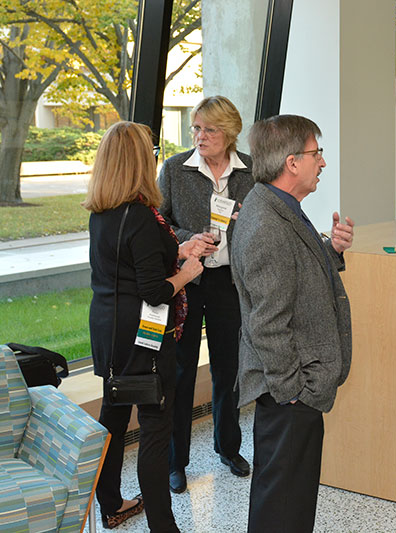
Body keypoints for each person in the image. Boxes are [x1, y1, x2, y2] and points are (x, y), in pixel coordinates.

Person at [232, 115, 354, 533]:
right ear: (291, 162)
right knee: (283, 504)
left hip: (293, 387)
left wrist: (331, 252)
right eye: (315, 153)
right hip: (288, 392)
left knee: (285, 498)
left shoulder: (277, 207)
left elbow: (290, 278)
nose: (322, 162)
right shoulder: (267, 224)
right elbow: (268, 324)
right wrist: (294, 393)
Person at [85, 121, 204, 531]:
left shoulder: (101, 213)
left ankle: (112, 504)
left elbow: (131, 268)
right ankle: (163, 527)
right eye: (150, 151)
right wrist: (187, 272)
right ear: (139, 162)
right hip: (144, 335)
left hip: (107, 330)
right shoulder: (140, 216)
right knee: (155, 426)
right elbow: (155, 291)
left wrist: (177, 249)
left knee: (114, 418)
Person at [157, 96, 254, 494]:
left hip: (229, 282)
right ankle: (176, 461)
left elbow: (262, 222)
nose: (199, 136)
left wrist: (245, 217)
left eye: (208, 129)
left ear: (229, 132)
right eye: (196, 128)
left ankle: (228, 447)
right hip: (187, 281)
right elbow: (160, 222)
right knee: (180, 372)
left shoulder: (250, 171)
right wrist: (186, 239)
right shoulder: (176, 169)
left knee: (228, 369)